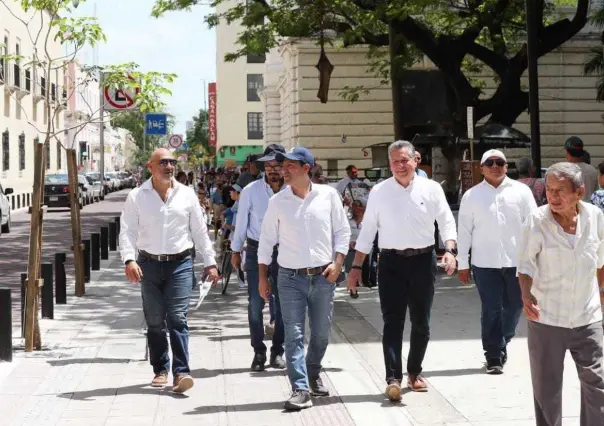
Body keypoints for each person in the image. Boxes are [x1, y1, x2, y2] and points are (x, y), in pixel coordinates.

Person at [348, 140, 457, 401]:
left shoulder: (431, 189)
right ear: (389, 164)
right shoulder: (379, 192)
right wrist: (355, 267)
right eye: (395, 161)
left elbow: (446, 221)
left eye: (405, 160)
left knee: (422, 322)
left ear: (415, 160)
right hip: (391, 264)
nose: (400, 166)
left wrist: (451, 251)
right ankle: (393, 378)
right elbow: (368, 232)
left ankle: (414, 372)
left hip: (423, 261)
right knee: (392, 322)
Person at [119, 148, 219, 393]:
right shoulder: (137, 196)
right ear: (150, 166)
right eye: (163, 162)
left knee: (177, 318)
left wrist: (211, 262)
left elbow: (199, 231)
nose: (169, 166)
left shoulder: (186, 195)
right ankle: (160, 369)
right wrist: (129, 260)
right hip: (148, 265)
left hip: (180, 264)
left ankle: (181, 372)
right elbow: (128, 231)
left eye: (172, 162)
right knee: (154, 320)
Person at [259, 146, 350, 411]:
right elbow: (266, 241)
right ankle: (299, 388)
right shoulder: (277, 201)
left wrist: (338, 263)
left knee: (321, 333)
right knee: (293, 333)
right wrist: (262, 278)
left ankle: (312, 371)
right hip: (289, 278)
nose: (283, 170)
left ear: (306, 168)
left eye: (289, 166)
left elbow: (342, 232)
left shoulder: (329, 196)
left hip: (323, 276)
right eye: (282, 166)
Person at [518, 162, 604, 426]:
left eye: (560, 191)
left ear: (579, 192)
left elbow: (600, 262)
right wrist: (526, 295)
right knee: (547, 391)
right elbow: (524, 265)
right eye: (550, 190)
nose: (552, 197)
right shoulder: (536, 220)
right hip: (547, 318)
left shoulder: (595, 216)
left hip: (587, 316)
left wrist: (601, 294)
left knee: (598, 386)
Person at [457, 149, 537, 374]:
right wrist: (463, 263)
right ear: (481, 168)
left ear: (506, 166)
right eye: (489, 162)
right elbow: (464, 232)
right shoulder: (471, 196)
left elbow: (533, 227)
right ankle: (493, 355)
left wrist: (536, 259)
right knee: (491, 308)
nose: (495, 166)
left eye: (499, 162)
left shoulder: (521, 192)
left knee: (515, 305)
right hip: (484, 263)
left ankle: (503, 339)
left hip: (517, 262)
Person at [231, 144, 288, 373]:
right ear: (263, 167)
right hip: (256, 252)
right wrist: (236, 252)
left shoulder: (293, 189)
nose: (273, 170)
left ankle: (277, 352)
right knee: (256, 303)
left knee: (284, 304)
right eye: (269, 166)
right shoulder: (251, 190)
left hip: (286, 252)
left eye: (278, 165)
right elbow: (241, 223)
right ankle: (258, 351)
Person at [564, 136, 598, 201]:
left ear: (568, 153)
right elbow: (596, 193)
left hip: (573, 209)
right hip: (590, 209)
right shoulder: (592, 170)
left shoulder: (565, 171)